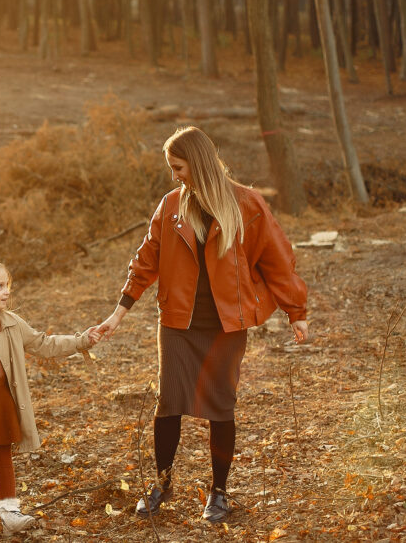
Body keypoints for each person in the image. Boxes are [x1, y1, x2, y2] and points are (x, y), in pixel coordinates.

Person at [94, 126, 309, 523]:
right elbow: (145, 261)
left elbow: (278, 259)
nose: (174, 175)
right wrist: (118, 313)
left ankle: (219, 492)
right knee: (169, 404)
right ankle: (162, 483)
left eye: (178, 167)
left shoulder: (247, 204)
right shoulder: (171, 205)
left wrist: (296, 312)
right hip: (178, 323)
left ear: (198, 162)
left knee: (220, 406)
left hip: (226, 325)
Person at [0, 259, 102, 534]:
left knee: (2, 451)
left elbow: (44, 344)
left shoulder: (12, 324)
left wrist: (81, 340)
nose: (7, 291)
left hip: (2, 398)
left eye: (7, 285)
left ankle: (9, 510)